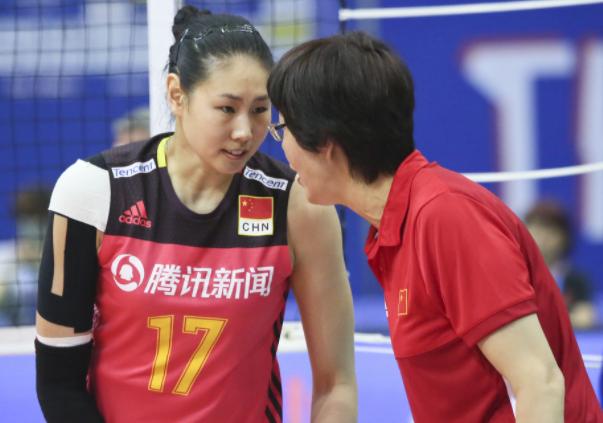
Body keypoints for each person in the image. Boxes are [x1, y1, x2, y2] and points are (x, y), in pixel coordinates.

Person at [35, 6, 357, 423]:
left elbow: (336, 384)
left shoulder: (298, 204)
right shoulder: (95, 190)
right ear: (176, 94)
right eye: (227, 108)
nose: (244, 131)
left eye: (260, 110)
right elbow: (59, 386)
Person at [267, 31, 603, 422]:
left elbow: (540, 383)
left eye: (283, 129)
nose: (281, 147)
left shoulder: (446, 218)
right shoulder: (395, 228)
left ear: (325, 141)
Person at [525, 200, 597, 329]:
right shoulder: (517, 275)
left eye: (551, 231)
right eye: (537, 229)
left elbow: (585, 318)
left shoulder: (576, 279)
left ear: (564, 238)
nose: (543, 238)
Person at [0, 185, 51, 326]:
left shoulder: (66, 260)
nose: (31, 224)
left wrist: (44, 264)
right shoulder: (4, 256)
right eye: (26, 217)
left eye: (38, 218)